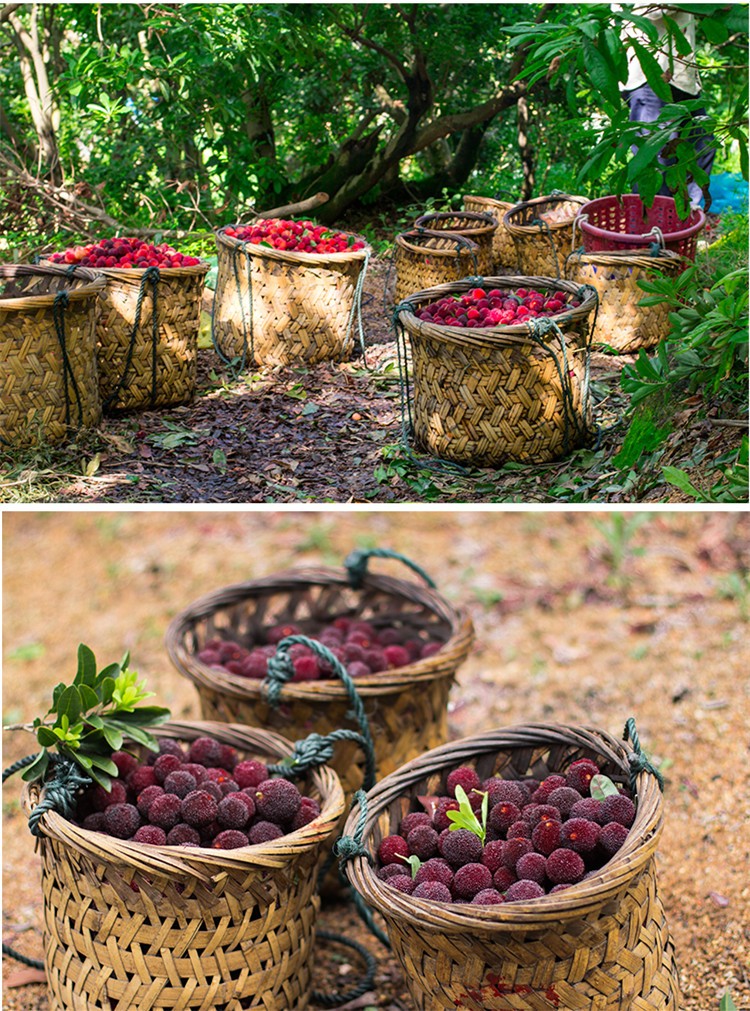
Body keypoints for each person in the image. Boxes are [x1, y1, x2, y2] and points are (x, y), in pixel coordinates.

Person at [616, 4, 716, 209]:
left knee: (703, 143)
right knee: (656, 157)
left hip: (682, 76)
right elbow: (651, 9)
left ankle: (685, 221)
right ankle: (652, 233)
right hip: (649, 73)